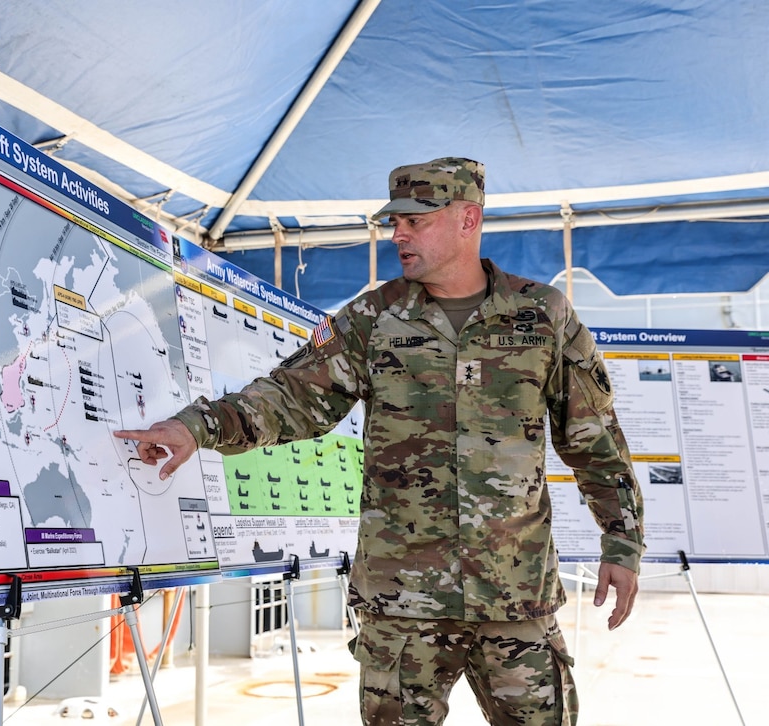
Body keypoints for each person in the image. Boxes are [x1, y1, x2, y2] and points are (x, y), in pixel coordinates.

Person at [114, 157, 644, 725]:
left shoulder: (543, 317)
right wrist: (196, 426)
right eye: (396, 222)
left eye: (416, 220)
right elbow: (290, 398)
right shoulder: (372, 319)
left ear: (468, 219)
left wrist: (622, 540)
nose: (398, 234)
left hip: (515, 596)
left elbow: (593, 437)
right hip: (402, 606)